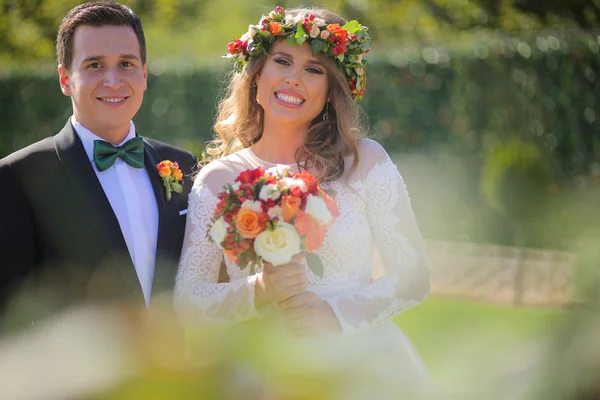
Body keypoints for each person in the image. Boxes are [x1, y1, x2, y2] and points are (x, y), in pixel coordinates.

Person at [174, 6, 431, 398]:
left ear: (330, 91)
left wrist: (338, 315)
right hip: (263, 372)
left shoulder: (363, 161)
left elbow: (413, 274)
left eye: (314, 70)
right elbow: (188, 303)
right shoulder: (219, 179)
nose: (294, 79)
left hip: (361, 367)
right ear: (257, 77)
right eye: (282, 61)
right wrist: (259, 290)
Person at [0, 1, 196, 328]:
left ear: (144, 74)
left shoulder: (180, 164)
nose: (113, 80)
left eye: (126, 64)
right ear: (65, 79)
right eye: (94, 65)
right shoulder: (18, 177)